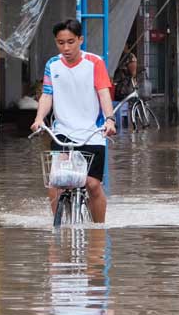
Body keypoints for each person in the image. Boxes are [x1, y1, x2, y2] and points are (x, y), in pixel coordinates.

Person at [31, 19, 116, 223]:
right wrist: (39, 118)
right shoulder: (52, 65)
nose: (66, 47)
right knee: (56, 181)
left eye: (71, 42)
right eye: (61, 43)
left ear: (80, 40)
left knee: (93, 184)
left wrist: (110, 119)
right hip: (63, 132)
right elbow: (47, 95)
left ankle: (98, 233)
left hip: (93, 132)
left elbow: (104, 93)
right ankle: (57, 226)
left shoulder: (95, 63)